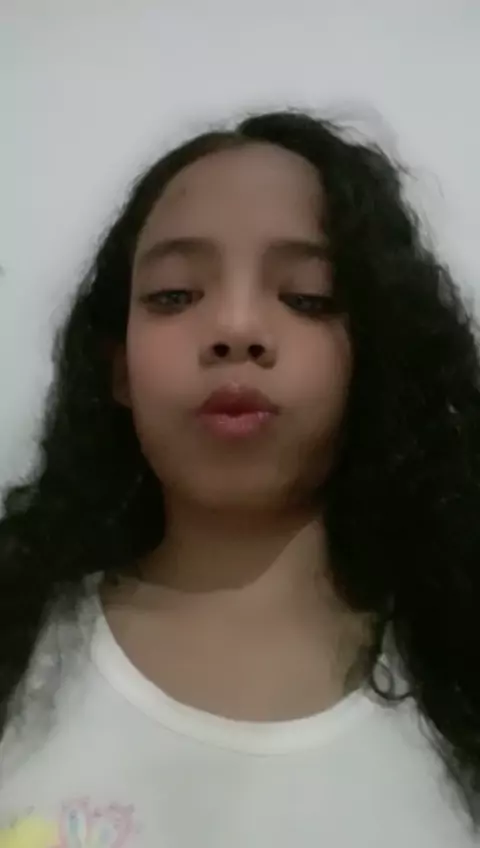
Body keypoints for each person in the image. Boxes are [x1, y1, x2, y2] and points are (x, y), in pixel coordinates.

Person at [0, 109, 478, 848]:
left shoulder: (459, 672)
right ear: (118, 367)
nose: (235, 327)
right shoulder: (19, 643)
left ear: (373, 359)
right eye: (174, 295)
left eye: (308, 297)